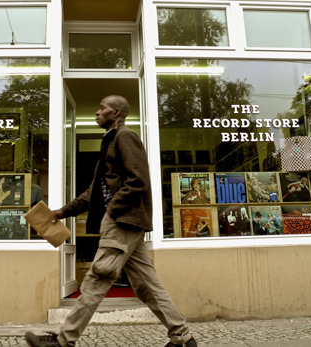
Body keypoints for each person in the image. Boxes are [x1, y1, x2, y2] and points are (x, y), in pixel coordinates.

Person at [25, 95, 197, 347]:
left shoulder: (125, 137)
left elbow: (139, 180)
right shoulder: (110, 142)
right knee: (146, 286)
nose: (97, 111)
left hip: (123, 221)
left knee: (98, 276)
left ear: (115, 112)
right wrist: (61, 212)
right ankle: (182, 337)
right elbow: (93, 191)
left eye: (101, 107)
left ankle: (64, 340)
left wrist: (112, 211)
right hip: (125, 221)